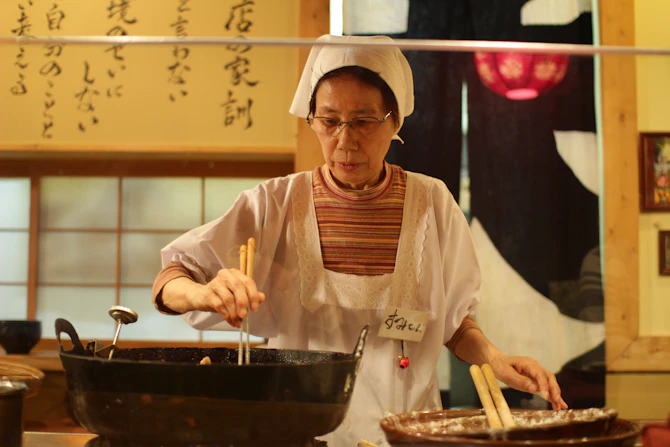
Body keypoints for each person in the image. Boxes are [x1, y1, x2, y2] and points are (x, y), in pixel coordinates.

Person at [151, 34, 568, 447]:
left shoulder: (432, 203)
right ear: (312, 119)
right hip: (300, 430)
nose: (345, 141)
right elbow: (171, 278)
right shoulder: (274, 203)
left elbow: (454, 325)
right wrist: (204, 294)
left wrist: (496, 360)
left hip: (407, 431)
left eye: (364, 122)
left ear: (395, 121)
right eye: (329, 121)